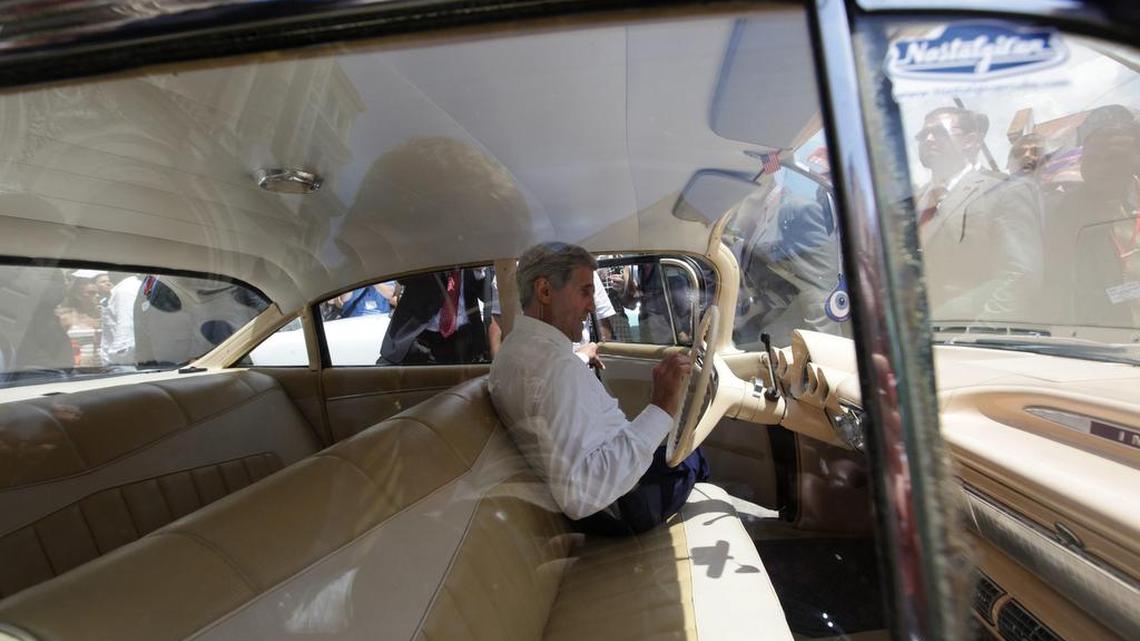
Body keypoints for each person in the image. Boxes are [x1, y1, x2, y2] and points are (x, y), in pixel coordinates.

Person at [489, 242, 708, 536]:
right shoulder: (557, 369)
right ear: (544, 291)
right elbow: (580, 495)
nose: (592, 306)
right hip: (619, 505)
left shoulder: (512, 352)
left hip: (606, 493)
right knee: (694, 455)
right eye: (584, 292)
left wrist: (580, 358)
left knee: (680, 450)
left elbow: (545, 392)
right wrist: (661, 407)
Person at [913, 106, 1043, 322]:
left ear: (970, 141)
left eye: (939, 132)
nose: (928, 139)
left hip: (967, 334)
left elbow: (1020, 276)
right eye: (923, 135)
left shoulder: (1004, 191)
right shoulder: (913, 202)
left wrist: (974, 333)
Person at [1046, 118, 1140, 326]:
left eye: (1114, 158)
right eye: (1092, 159)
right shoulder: (1061, 214)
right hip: (1099, 335)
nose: (1100, 168)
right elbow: (1067, 293)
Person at [378, 268, 489, 365]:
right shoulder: (428, 257)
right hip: (419, 336)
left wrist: (478, 272)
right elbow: (403, 279)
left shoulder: (473, 263)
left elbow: (487, 297)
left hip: (463, 340)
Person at [100, 273, 141, 366]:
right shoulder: (137, 286)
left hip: (123, 363)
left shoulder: (124, 291)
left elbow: (126, 329)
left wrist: (116, 359)